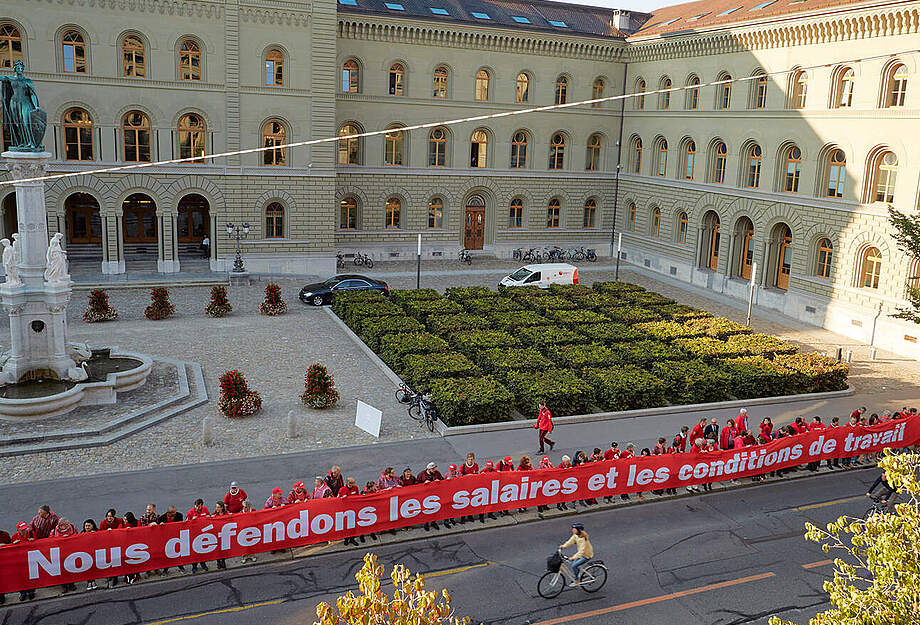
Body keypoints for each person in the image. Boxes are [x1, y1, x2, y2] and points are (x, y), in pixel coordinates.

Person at [51, 519, 79, 593]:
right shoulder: (54, 531)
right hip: (59, 553)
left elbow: (77, 537)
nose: (67, 526)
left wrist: (69, 537)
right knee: (62, 570)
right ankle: (64, 586)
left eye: (67, 524)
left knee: (70, 569)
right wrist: (61, 539)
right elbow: (50, 541)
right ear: (60, 525)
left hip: (70, 552)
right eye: (65, 524)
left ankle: (71, 584)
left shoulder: (72, 528)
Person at [158, 506, 186, 574]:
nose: (175, 513)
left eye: (175, 512)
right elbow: (157, 528)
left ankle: (181, 567)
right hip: (166, 539)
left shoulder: (179, 515)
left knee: (178, 553)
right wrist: (160, 525)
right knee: (167, 555)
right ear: (169, 513)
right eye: (173, 512)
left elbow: (181, 525)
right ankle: (165, 570)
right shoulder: (162, 518)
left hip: (176, 538)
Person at [418, 463, 445, 529]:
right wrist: (424, 483)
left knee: (435, 508)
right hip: (426, 495)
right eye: (433, 469)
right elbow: (417, 483)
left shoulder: (437, 473)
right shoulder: (422, 474)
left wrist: (440, 481)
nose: (434, 470)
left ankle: (433, 522)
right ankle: (426, 523)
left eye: (434, 468)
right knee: (426, 509)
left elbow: (442, 480)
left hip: (435, 495)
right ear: (428, 469)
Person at [82, 519, 100, 590]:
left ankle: (93, 581)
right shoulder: (82, 533)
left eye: (89, 526)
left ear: (93, 526)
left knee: (93, 569)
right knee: (88, 569)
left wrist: (95, 535)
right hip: (85, 554)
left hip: (95, 554)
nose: (87, 527)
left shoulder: (97, 532)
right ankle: (90, 582)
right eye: (86, 526)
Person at [211, 502, 229, 569]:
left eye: (218, 507)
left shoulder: (226, 513)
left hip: (224, 534)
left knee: (223, 548)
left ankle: (223, 561)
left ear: (222, 508)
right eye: (216, 507)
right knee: (217, 549)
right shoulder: (214, 514)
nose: (217, 508)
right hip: (216, 534)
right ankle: (218, 562)